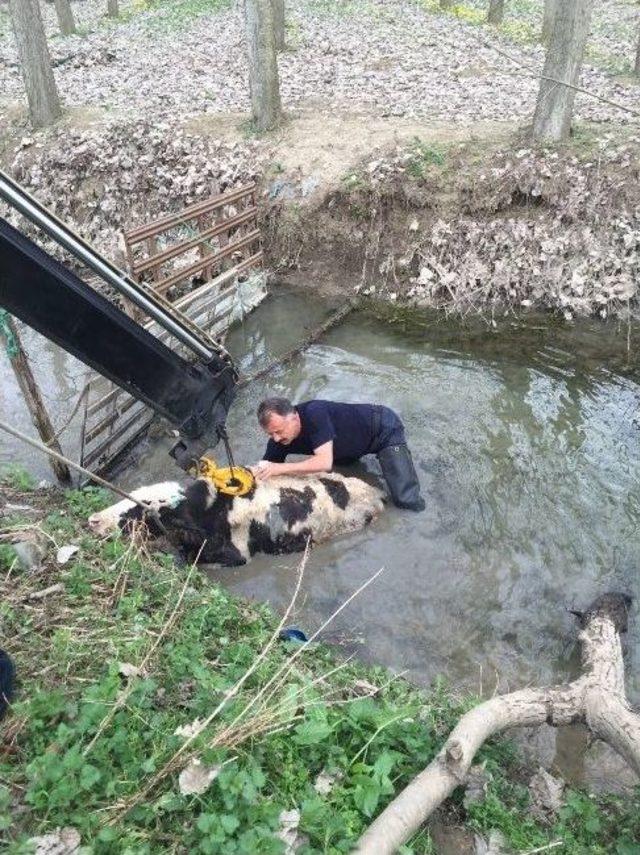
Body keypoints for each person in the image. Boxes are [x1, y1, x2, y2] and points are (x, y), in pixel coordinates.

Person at [253, 397, 425, 512]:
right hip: (345, 448)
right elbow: (264, 473)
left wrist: (281, 468)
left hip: (382, 429)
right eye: (270, 434)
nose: (276, 438)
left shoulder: (315, 413)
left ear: (294, 417)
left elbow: (324, 462)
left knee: (405, 500)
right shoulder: (278, 441)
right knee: (345, 484)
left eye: (279, 431)